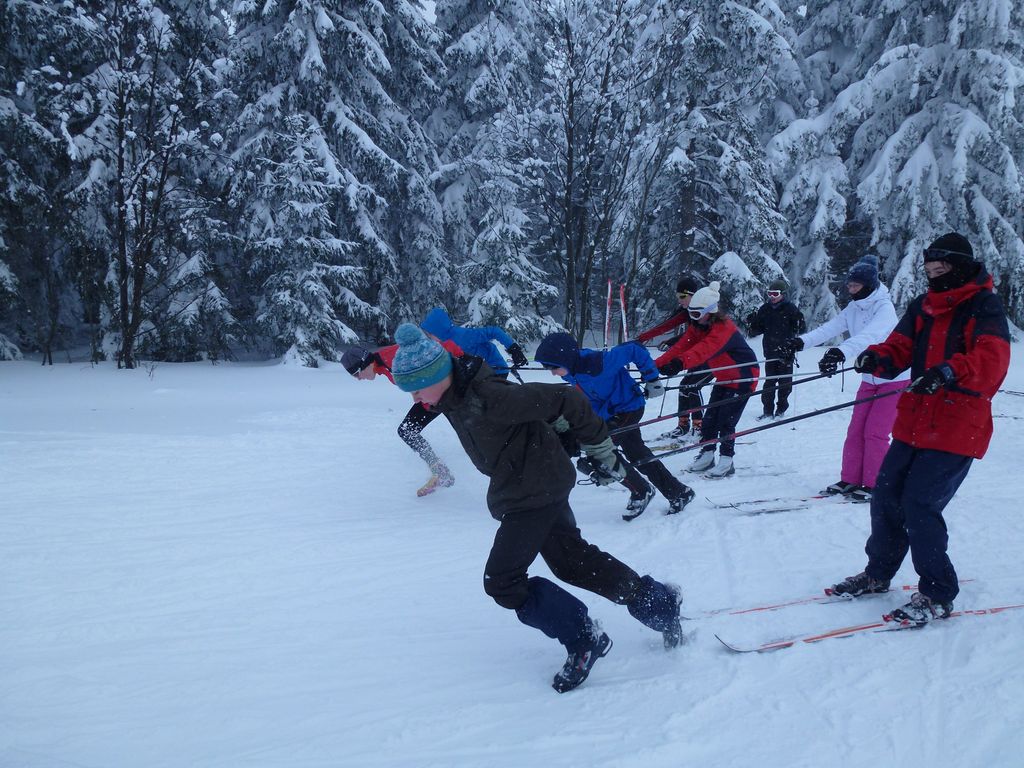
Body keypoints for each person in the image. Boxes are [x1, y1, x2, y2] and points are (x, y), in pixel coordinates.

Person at [388, 322, 685, 693]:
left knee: (503, 581)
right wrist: (559, 434)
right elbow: (540, 415)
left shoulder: (488, 395)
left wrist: (600, 450)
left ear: (437, 374)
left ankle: (583, 638)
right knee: (573, 562)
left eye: (416, 388)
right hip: (531, 482)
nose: (415, 397)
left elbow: (566, 398)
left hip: (534, 489)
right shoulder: (454, 395)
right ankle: (658, 604)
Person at [828, 233, 1010, 625]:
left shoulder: (984, 305)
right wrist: (876, 358)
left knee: (919, 504)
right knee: (885, 495)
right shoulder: (924, 305)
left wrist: (948, 371)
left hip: (958, 424)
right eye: (929, 269)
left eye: (941, 268)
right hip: (915, 421)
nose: (934, 275)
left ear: (959, 266)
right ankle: (878, 573)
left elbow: (992, 360)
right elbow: (900, 346)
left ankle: (937, 592)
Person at [779, 254, 909, 503]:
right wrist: (801, 342)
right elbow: (831, 328)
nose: (850, 289)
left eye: (855, 285)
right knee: (856, 430)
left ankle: (875, 484)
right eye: (849, 285)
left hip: (894, 378)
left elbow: (870, 336)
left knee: (875, 433)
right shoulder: (854, 307)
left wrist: (840, 352)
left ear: (868, 285)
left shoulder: (884, 308)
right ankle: (850, 479)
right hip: (870, 377)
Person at [533, 333, 696, 520]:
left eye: (553, 367)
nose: (552, 373)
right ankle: (679, 492)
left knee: (601, 452)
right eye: (547, 368)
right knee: (637, 453)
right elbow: (590, 395)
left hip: (628, 408)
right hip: (609, 413)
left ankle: (641, 490)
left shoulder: (600, 362)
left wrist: (651, 378)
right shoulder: (571, 371)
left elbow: (634, 348)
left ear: (565, 359)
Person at [655, 281, 759, 478]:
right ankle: (707, 454)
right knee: (710, 419)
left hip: (743, 377)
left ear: (710, 311)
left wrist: (678, 364)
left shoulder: (723, 329)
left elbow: (702, 351)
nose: (693, 318)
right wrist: (657, 365)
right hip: (724, 377)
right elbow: (682, 346)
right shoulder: (699, 326)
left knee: (726, 421)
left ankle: (726, 461)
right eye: (690, 314)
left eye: (696, 314)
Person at [342, 339, 462, 497]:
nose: (358, 378)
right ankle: (440, 471)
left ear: (364, 363)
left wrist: (462, 359)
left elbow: (435, 346)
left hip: (449, 391)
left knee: (469, 431)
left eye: (356, 373)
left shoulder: (393, 357)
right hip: (432, 399)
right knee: (407, 431)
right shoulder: (383, 365)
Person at [635, 274, 711, 439]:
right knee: (685, 387)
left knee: (693, 387)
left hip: (714, 355)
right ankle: (683, 426)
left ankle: (699, 427)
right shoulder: (686, 311)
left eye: (682, 296)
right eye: (678, 296)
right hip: (697, 355)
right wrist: (642, 338)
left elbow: (700, 337)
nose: (679, 300)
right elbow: (665, 326)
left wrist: (673, 342)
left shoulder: (705, 311)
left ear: (693, 295)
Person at [746, 278, 805, 419]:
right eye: (770, 293)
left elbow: (801, 329)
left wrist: (800, 321)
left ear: (782, 294)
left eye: (775, 293)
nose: (772, 297)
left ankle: (780, 410)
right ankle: (767, 411)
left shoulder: (790, 309)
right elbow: (756, 331)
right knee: (770, 382)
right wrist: (752, 322)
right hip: (770, 351)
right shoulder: (765, 309)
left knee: (785, 383)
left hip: (786, 352)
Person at [420, 307, 529, 378]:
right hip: (477, 373)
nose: (429, 337)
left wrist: (513, 349)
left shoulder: (463, 336)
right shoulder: (443, 343)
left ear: (438, 330)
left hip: (495, 371)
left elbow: (494, 331)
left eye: (430, 333)